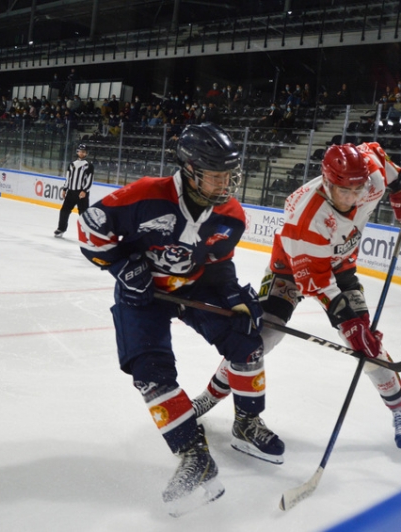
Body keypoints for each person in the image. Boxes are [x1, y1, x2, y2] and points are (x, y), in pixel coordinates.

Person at [76, 123, 284, 515]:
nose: (227, 182)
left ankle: (247, 422)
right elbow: (90, 230)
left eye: (230, 174)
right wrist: (121, 266)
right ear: (190, 170)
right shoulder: (144, 195)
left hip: (196, 288)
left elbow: (219, 262)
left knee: (247, 341)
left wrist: (235, 298)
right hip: (144, 290)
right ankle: (194, 453)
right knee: (150, 372)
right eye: (217, 174)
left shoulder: (231, 215)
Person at [191, 142, 401, 455]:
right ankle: (210, 396)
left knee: (368, 348)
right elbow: (315, 282)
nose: (353, 197)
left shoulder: (369, 176)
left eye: (358, 188)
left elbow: (378, 155)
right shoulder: (307, 218)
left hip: (341, 267)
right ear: (327, 183)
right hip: (290, 267)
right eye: (344, 190)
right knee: (260, 338)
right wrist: (349, 322)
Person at [54, 144, 94, 238]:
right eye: (80, 151)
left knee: (83, 213)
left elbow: (89, 180)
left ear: (86, 153)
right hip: (71, 192)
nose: (82, 153)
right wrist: (65, 189)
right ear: (77, 152)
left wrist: (85, 190)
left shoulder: (89, 165)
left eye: (84, 151)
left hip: (81, 193)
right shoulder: (72, 164)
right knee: (64, 211)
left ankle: (86, 232)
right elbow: (68, 178)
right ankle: (61, 228)